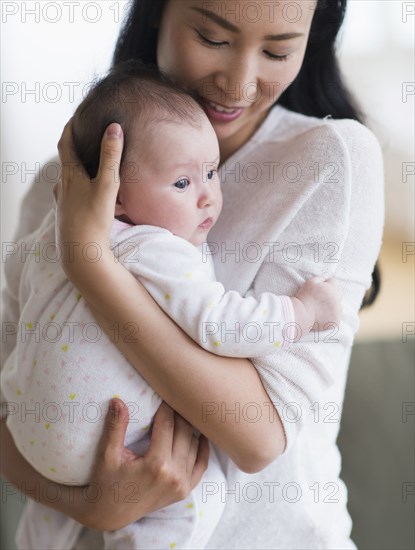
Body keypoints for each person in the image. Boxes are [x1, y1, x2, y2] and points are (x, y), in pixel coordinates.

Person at [1, 1, 384, 549]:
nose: (239, 84)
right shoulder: (63, 187)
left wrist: (92, 266)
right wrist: (90, 505)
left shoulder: (328, 161)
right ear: (157, 12)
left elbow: (256, 436)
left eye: (278, 50)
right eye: (211, 38)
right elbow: (10, 409)